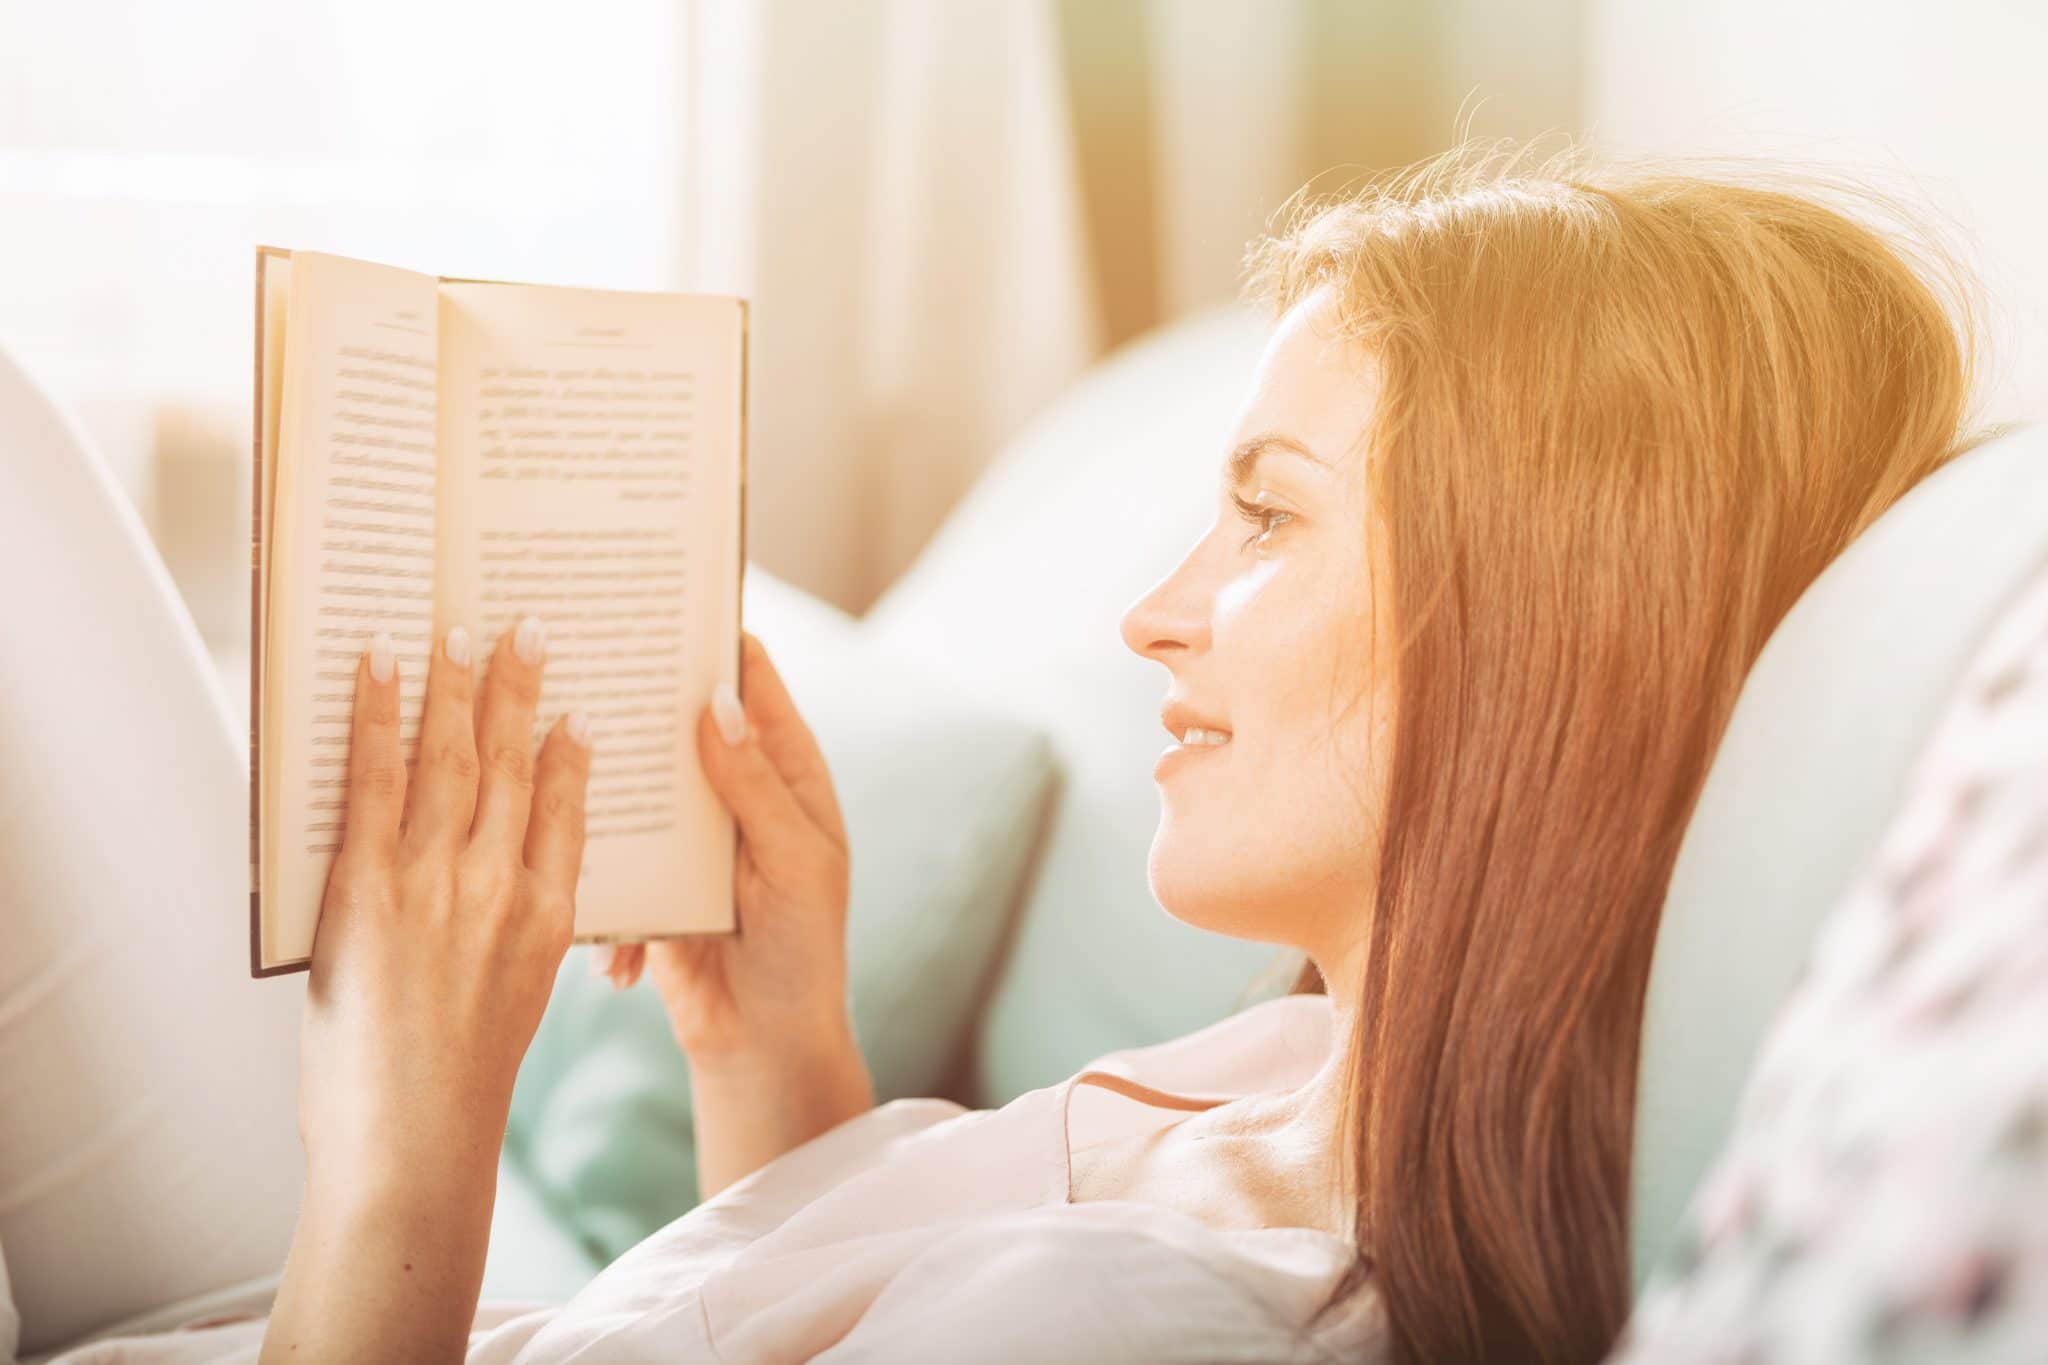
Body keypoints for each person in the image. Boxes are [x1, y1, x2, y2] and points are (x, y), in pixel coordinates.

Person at [16, 138, 1987, 1365]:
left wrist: (400, 1161)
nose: (1152, 609)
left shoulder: (1163, 1326)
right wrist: (770, 1046)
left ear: (1526, 636)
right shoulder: (1318, 1064)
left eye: (1271, 516)